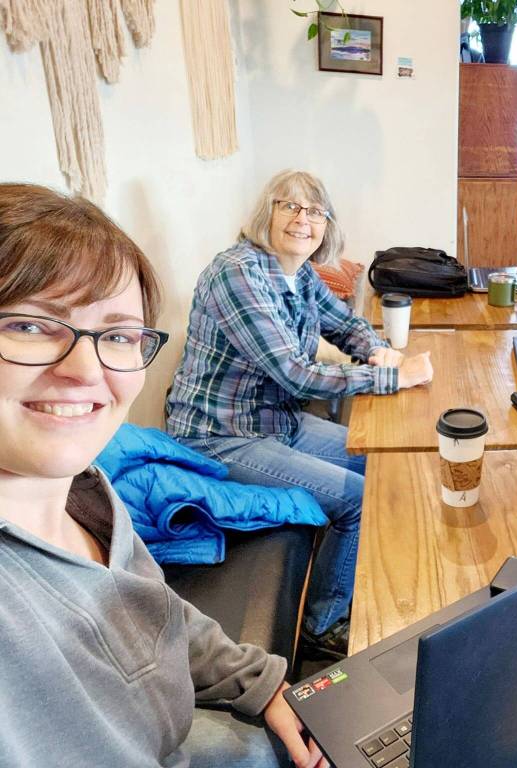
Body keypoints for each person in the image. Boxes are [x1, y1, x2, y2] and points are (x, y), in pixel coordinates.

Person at [0, 182, 326, 766]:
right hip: (235, 432)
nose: (85, 370)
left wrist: (263, 681)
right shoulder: (241, 272)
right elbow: (297, 374)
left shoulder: (87, 492)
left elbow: (153, 614)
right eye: (29, 326)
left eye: (117, 335)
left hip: (166, 734)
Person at [166, 170, 432, 659]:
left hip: (276, 421)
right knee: (359, 498)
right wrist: (394, 377)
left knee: (384, 465)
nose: (302, 220)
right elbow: (297, 375)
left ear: (326, 224)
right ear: (265, 214)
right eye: (288, 206)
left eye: (314, 211)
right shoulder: (238, 273)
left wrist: (376, 350)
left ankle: (357, 577)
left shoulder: (299, 273)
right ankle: (322, 623)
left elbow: (345, 323)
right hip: (219, 437)